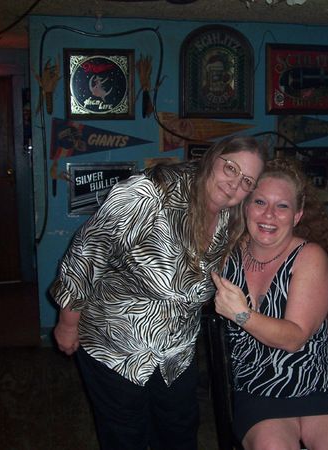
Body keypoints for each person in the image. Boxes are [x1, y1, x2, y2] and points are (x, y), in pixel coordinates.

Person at [50, 134, 266, 450]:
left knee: (179, 432)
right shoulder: (149, 193)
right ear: (212, 158)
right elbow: (86, 252)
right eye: (231, 168)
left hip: (176, 352)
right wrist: (68, 323)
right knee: (126, 437)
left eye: (247, 181)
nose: (235, 184)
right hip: (116, 345)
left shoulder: (231, 218)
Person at [212, 158, 328, 450]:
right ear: (246, 206)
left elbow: (294, 338)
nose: (269, 214)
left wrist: (242, 314)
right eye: (260, 202)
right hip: (258, 387)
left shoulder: (310, 257)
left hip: (321, 384)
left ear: (297, 215)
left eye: (282, 206)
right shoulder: (225, 256)